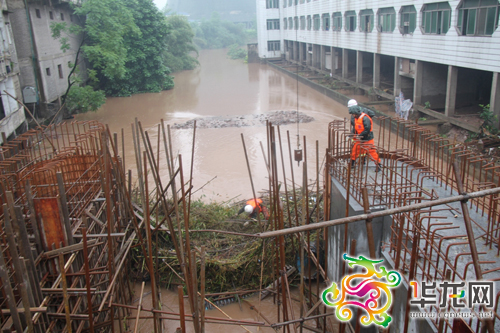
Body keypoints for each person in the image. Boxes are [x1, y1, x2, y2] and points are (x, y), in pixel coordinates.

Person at [347, 99, 382, 172]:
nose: (352, 116)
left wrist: (360, 135)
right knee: (354, 152)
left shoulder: (365, 118)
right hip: (360, 139)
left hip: (367, 139)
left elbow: (367, 129)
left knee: (372, 153)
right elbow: (355, 128)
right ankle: (352, 164)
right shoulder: (356, 118)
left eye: (353, 114)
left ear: (356, 112)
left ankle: (378, 165)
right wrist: (352, 135)